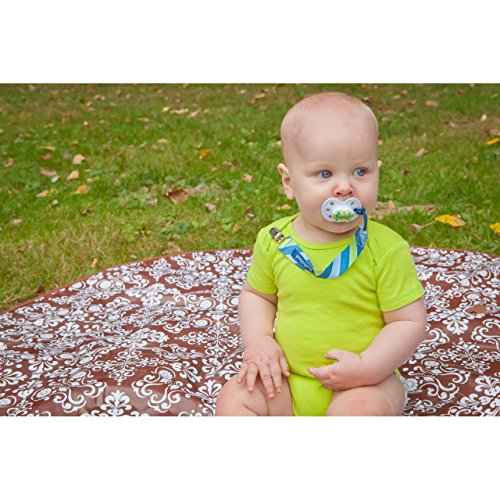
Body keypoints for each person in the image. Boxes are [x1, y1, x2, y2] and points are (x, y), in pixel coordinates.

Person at [216, 91, 427, 416]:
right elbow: (257, 295)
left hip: (363, 383)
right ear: (289, 182)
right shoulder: (275, 241)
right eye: (325, 174)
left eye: (360, 172)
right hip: (288, 380)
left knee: (361, 411)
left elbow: (408, 321)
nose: (344, 187)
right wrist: (259, 341)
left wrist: (368, 366)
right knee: (235, 396)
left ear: (377, 171)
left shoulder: (385, 248)